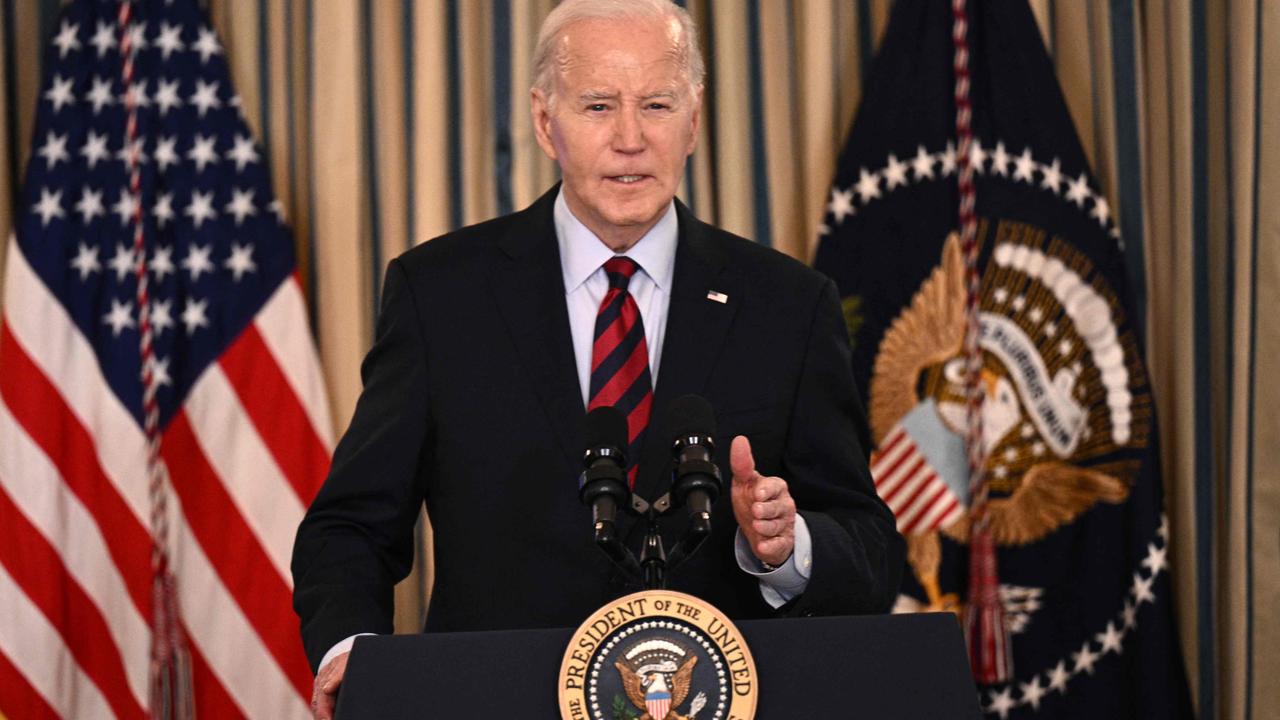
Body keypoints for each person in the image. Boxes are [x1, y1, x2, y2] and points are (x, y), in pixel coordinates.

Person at [291, 1, 903, 717]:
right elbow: (351, 526)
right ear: (546, 121)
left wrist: (786, 545)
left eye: (657, 104)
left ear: (695, 119)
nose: (631, 139)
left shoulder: (788, 306)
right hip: (493, 704)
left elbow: (869, 548)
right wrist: (350, 654)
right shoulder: (442, 295)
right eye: (598, 106)